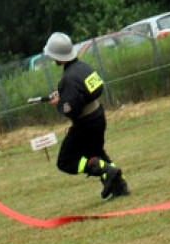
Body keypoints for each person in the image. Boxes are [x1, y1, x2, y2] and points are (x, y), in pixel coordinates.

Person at [42, 32, 130, 200]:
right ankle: (119, 186)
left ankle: (107, 171)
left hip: (85, 123)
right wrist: (64, 95)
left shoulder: (67, 78)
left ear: (57, 56)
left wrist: (59, 103)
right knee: (96, 152)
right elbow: (92, 89)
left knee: (66, 161)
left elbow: (71, 109)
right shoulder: (83, 67)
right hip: (98, 115)